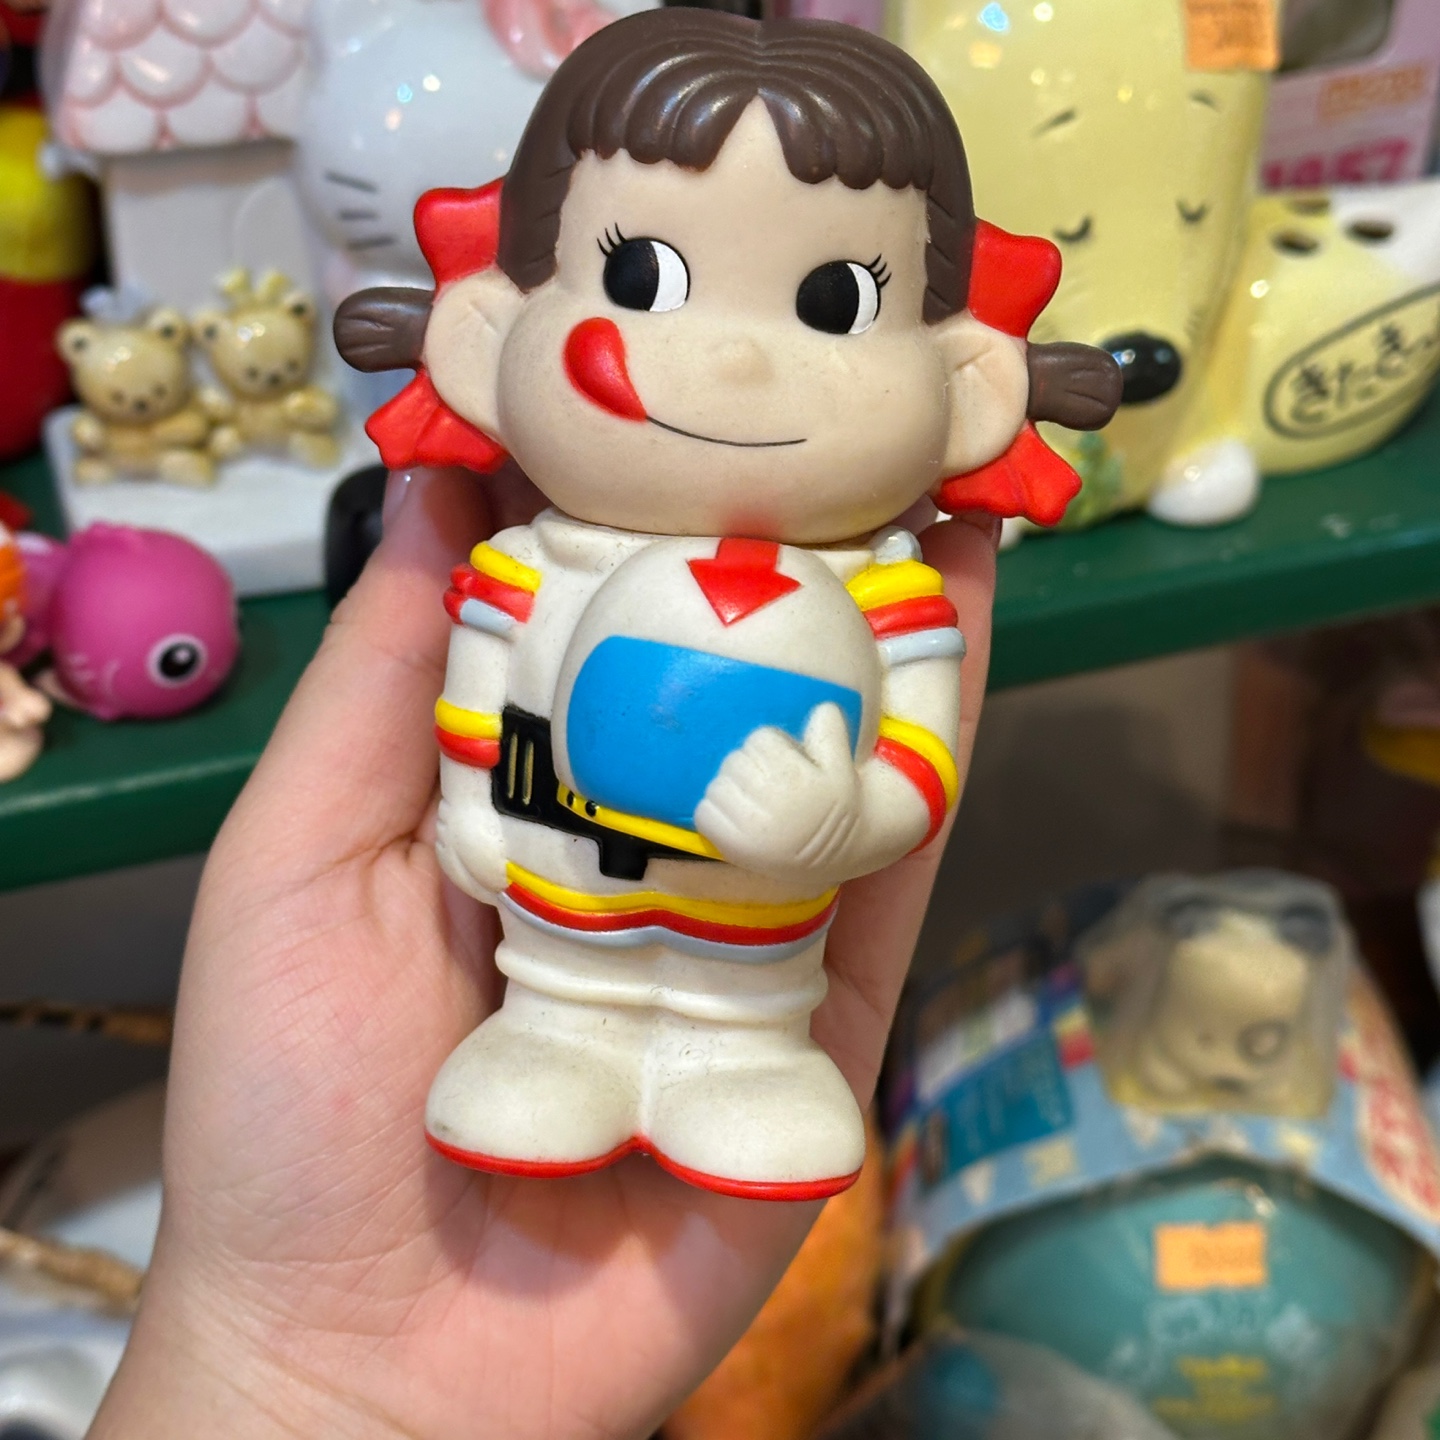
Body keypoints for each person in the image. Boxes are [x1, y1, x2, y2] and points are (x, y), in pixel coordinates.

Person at [87, 460, 999, 1439]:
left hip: (755, 977)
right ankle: (556, 1044)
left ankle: (751, 1066)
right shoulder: (539, 562)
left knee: (755, 1048)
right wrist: (476, 808)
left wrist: (842, 821)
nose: (737, 379)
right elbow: (480, 699)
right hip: (559, 951)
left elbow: (918, 766)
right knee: (544, 1051)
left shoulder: (886, 589)